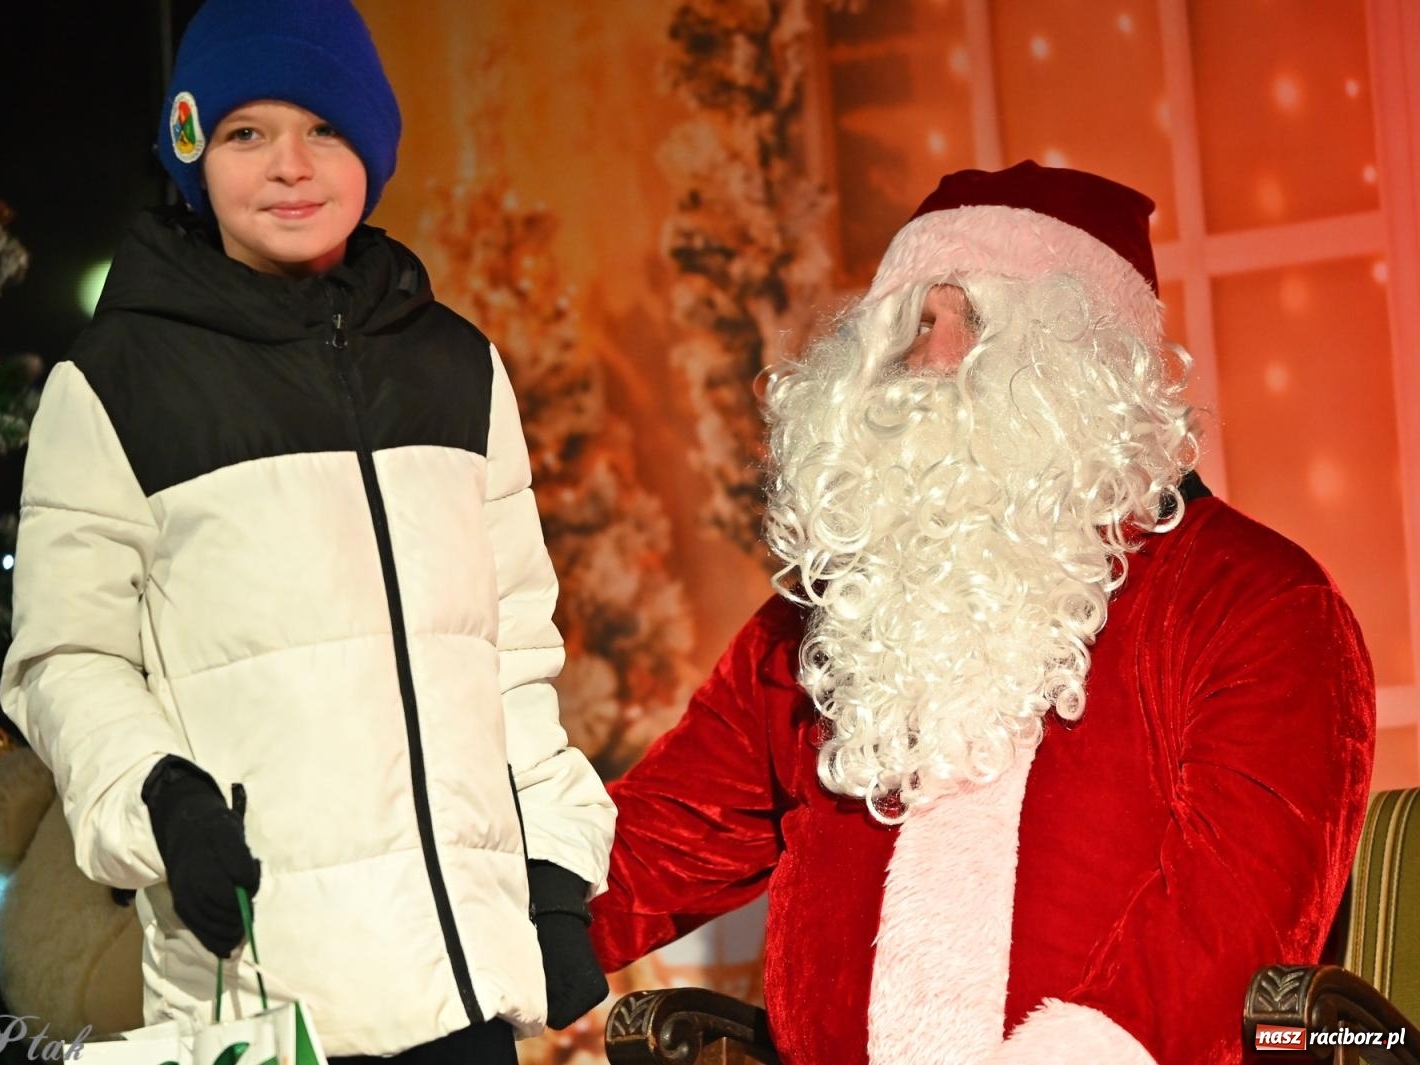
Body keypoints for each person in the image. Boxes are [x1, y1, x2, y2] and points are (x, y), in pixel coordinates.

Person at [587, 161, 1376, 1065]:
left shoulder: (1253, 600)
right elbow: (642, 851)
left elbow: (1232, 921)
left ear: (1089, 365)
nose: (932, 362)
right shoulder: (829, 624)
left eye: (983, 322)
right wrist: (456, 944)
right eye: (914, 322)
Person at [0, 1, 613, 1061]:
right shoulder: (114, 387)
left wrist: (554, 869)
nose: (290, 164)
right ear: (194, 152)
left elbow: (508, 649)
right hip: (262, 991)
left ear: (370, 150)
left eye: (324, 128)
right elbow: (66, 658)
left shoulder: (456, 368)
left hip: (462, 993)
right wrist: (163, 800)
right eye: (246, 132)